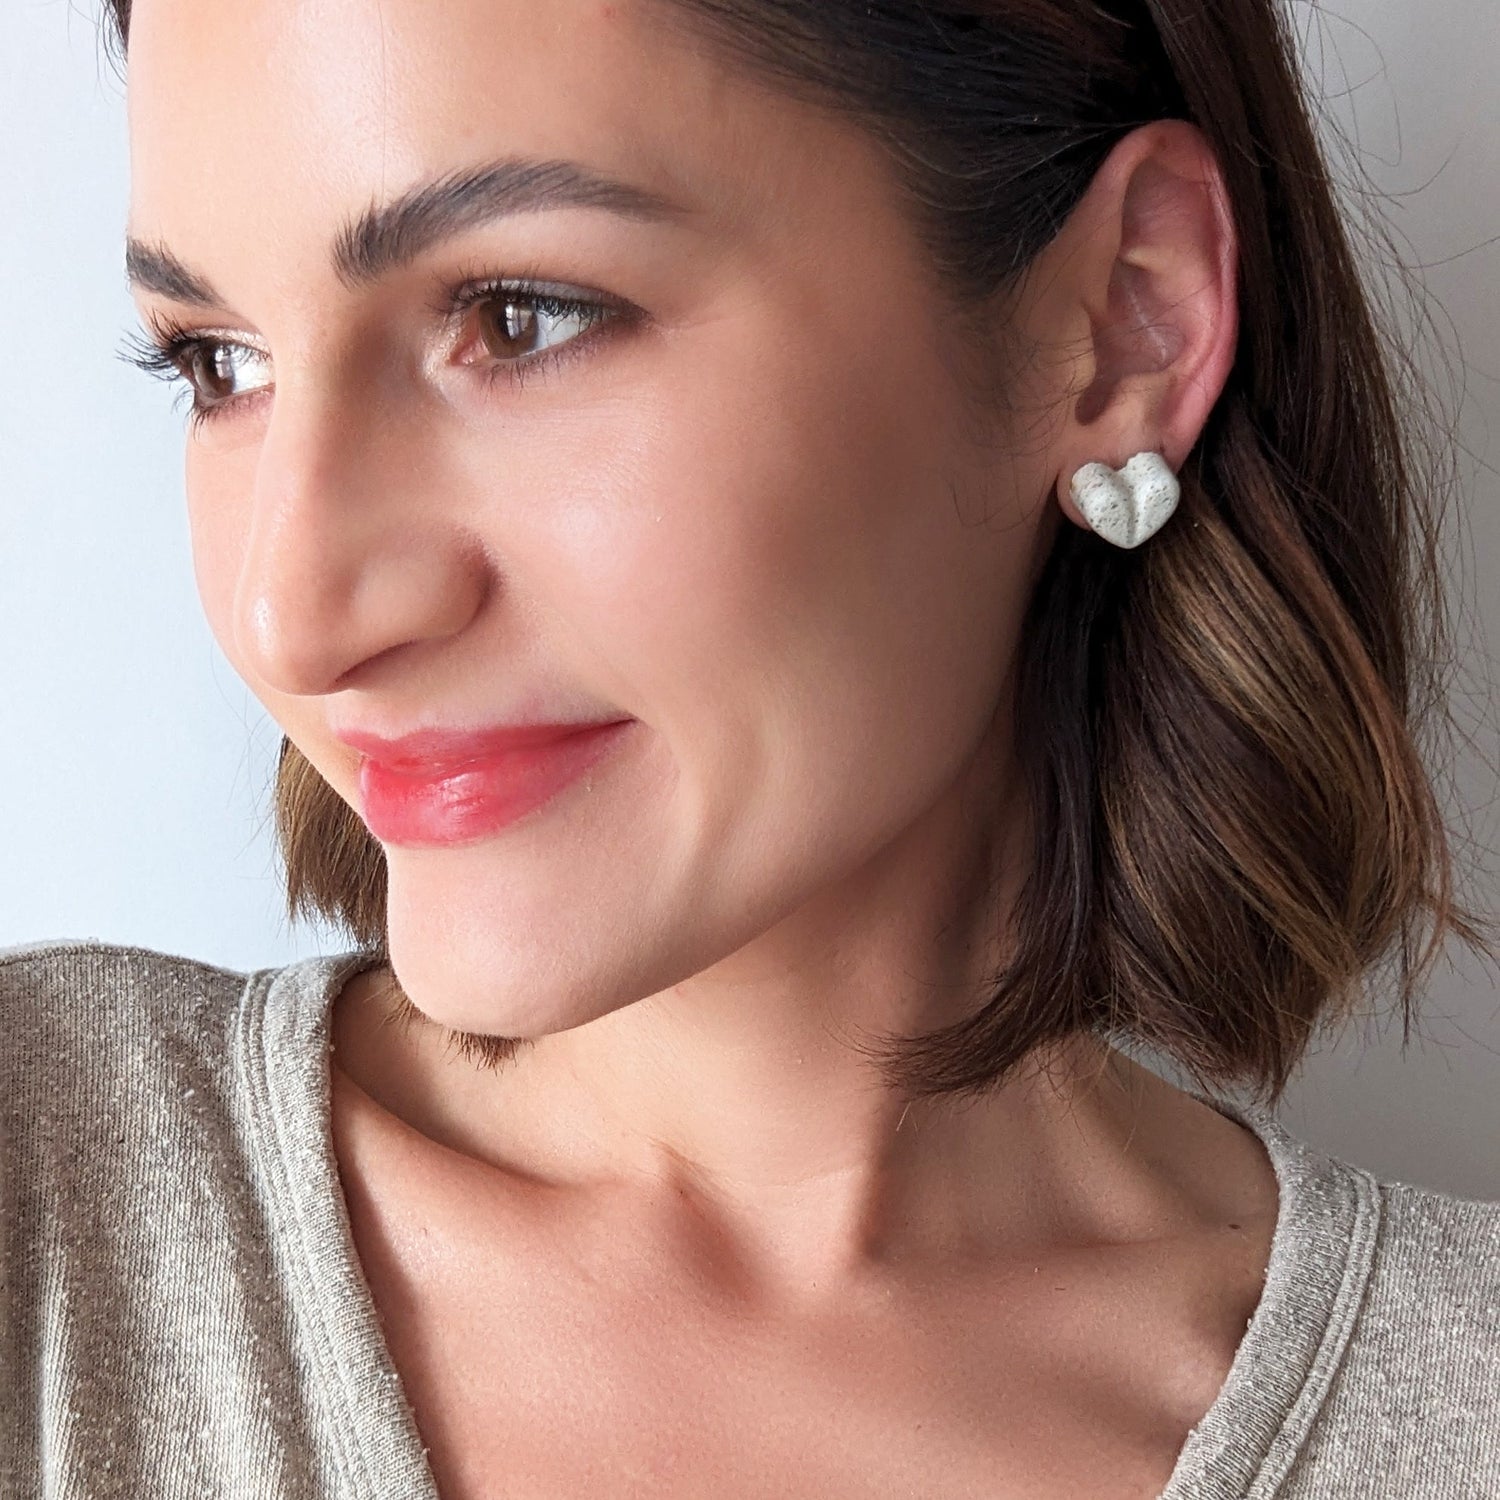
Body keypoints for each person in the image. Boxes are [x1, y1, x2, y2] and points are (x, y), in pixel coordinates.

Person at [2, 0, 1496, 1495]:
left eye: (521, 315)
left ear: (1118, 324)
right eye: (219, 364)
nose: (294, 616)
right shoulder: (47, 1197)